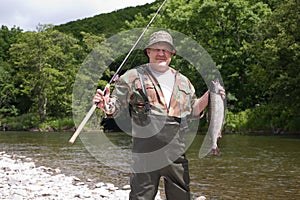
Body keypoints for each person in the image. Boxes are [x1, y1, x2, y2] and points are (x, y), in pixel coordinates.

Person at [93, 30, 225, 200]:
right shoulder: (132, 77)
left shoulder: (184, 81)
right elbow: (115, 108)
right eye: (156, 49)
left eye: (165, 49)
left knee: (181, 196)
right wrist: (105, 104)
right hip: (145, 153)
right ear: (148, 51)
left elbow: (193, 111)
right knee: (141, 197)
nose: (161, 53)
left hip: (176, 151)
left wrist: (210, 95)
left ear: (172, 54)